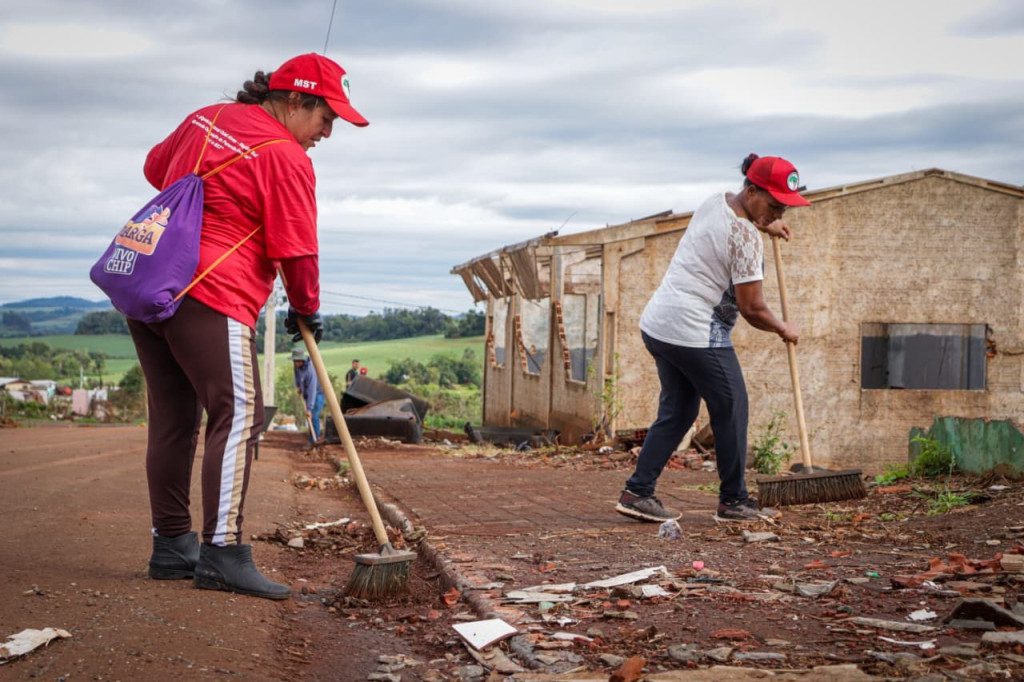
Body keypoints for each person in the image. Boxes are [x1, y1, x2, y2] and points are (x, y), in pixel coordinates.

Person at [129, 53, 368, 600]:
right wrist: (306, 308)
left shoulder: (205, 117)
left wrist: (212, 194)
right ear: (294, 100)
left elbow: (154, 167)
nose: (328, 132)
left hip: (153, 282)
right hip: (213, 292)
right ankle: (222, 553)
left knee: (173, 419)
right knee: (238, 413)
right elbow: (297, 249)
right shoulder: (286, 156)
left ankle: (172, 546)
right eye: (326, 117)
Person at [615, 154, 807, 523]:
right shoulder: (745, 237)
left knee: (679, 411)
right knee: (731, 406)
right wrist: (783, 327)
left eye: (784, 208)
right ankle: (734, 501)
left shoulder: (716, 201)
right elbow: (752, 308)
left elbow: (735, 226)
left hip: (659, 324)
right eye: (774, 205)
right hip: (694, 330)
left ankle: (637, 492)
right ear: (752, 191)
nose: (779, 212)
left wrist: (767, 223)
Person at [292, 349, 325, 443]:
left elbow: (312, 390)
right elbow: (297, 375)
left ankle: (315, 439)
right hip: (307, 393)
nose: (295, 363)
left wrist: (309, 408)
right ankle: (312, 437)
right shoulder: (297, 366)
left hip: (317, 393)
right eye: (294, 361)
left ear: (301, 360)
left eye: (296, 361)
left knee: (313, 415)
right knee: (309, 417)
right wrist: (298, 386)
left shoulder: (310, 371)